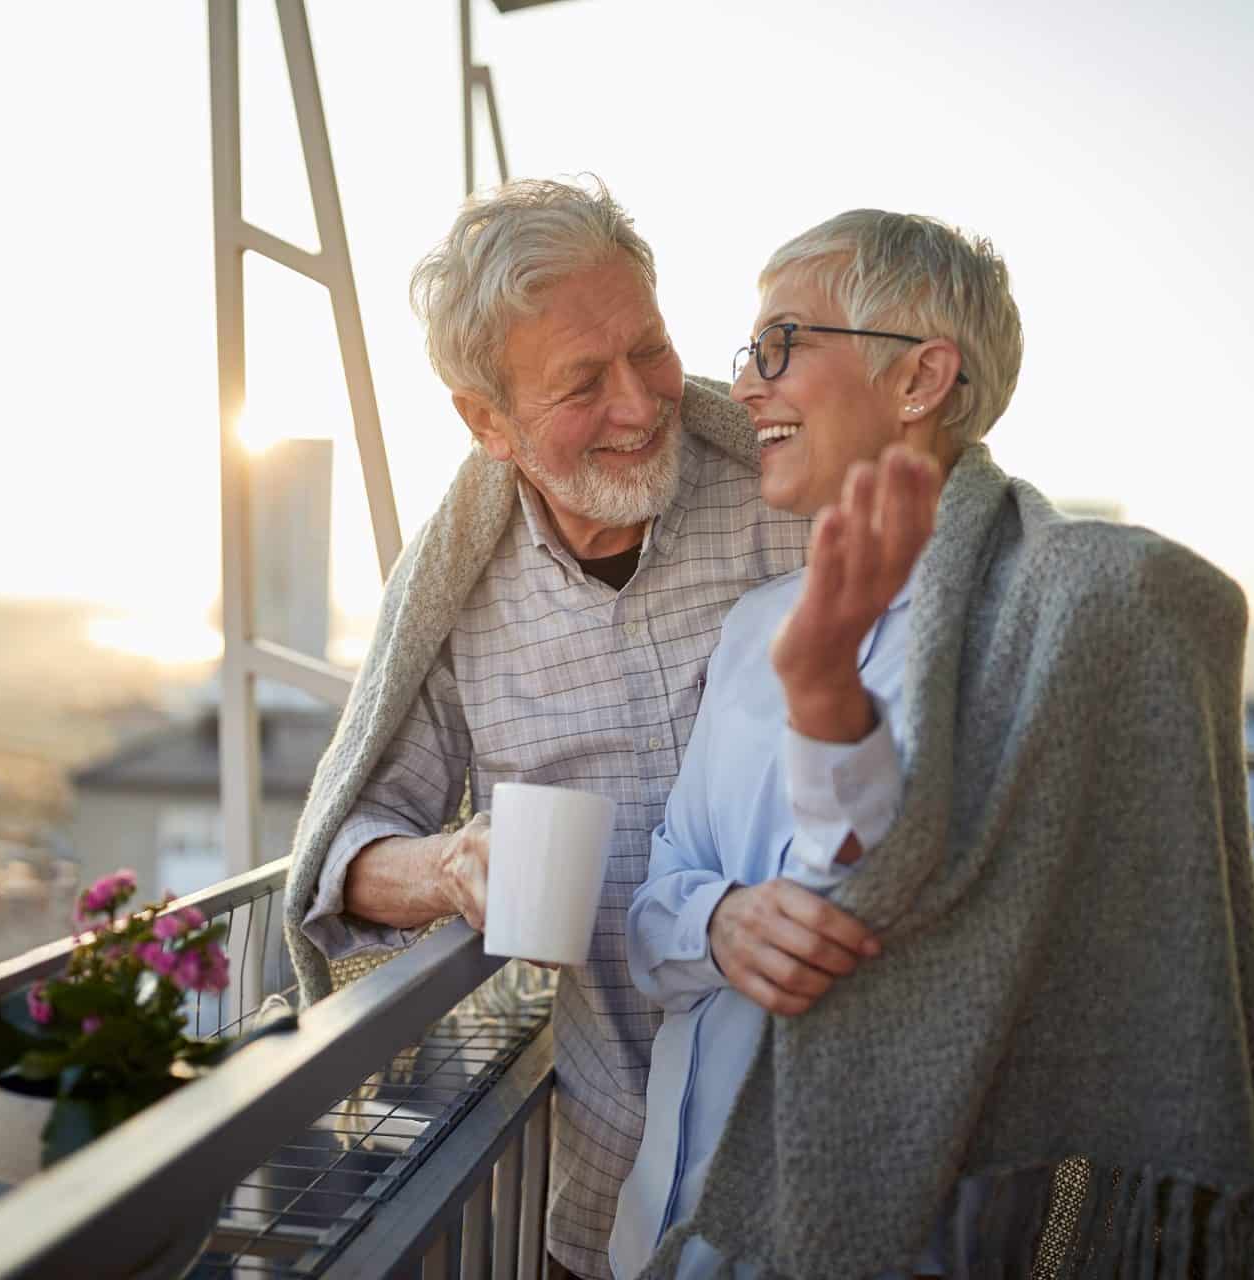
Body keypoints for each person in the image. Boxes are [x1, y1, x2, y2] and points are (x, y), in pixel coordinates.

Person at [616, 210, 1254, 1279]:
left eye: (781, 344)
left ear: (920, 378)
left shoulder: (1061, 621)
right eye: (750, 350)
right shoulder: (754, 626)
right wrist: (719, 918)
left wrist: (827, 691)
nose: (745, 384)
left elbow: (883, 910)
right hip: (664, 1225)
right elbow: (655, 905)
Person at [281, 177, 848, 1279]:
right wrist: (453, 865)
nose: (640, 404)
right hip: (613, 1177)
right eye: (583, 381)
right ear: (486, 420)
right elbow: (346, 852)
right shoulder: (457, 597)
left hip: (839, 1167)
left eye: (651, 350)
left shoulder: (797, 501)